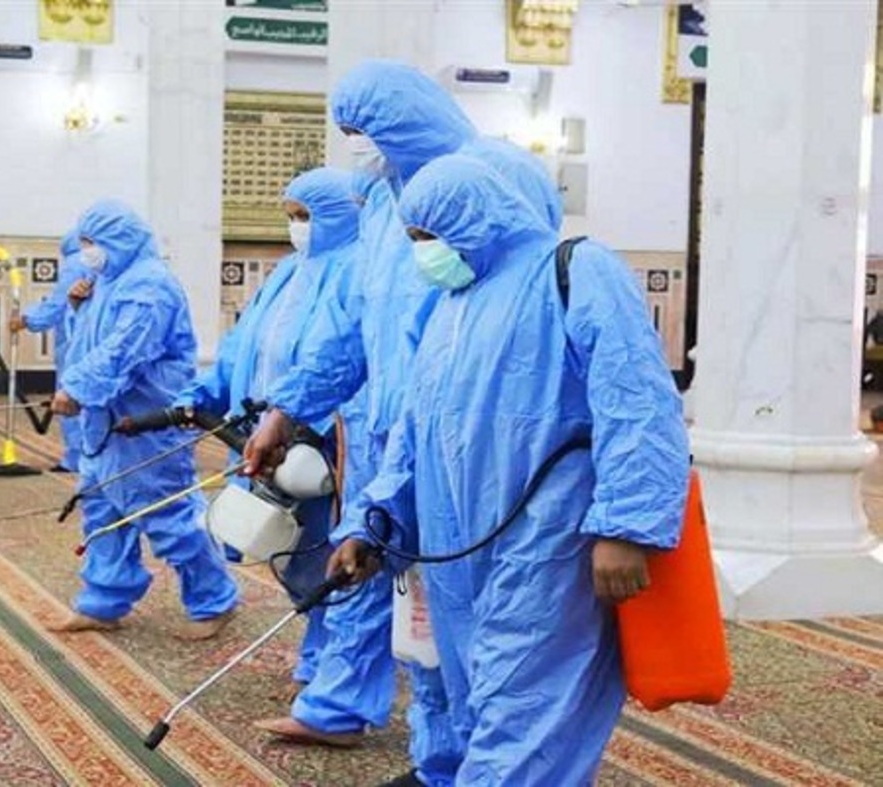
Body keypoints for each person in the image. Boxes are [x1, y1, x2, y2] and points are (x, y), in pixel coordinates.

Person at [244, 59, 563, 781]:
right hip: (395, 439)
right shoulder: (385, 214)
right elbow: (353, 334)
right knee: (411, 603)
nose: (358, 147)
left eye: (365, 129)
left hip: (473, 443)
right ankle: (439, 759)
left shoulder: (493, 177)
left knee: (483, 617)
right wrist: (288, 409)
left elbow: (517, 308)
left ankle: (488, 760)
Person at [329, 153, 691, 785]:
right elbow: (414, 437)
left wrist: (626, 528)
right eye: (413, 237)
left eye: (429, 234)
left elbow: (636, 401)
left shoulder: (576, 271)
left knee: (525, 709)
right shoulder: (447, 306)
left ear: (476, 217)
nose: (423, 251)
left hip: (550, 540)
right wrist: (375, 523)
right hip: (459, 552)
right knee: (478, 699)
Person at [175, 167, 362, 738]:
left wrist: (300, 422)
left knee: (329, 560)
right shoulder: (288, 272)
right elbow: (244, 344)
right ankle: (323, 664)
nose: (296, 226)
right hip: (264, 434)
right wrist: (205, 393)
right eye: (291, 215)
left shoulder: (355, 272)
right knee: (287, 553)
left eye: (306, 216)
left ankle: (336, 682)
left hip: (321, 443)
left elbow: (339, 362)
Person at [48, 199, 238, 641]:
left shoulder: (150, 287)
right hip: (105, 422)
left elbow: (125, 350)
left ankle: (214, 599)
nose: (87, 250)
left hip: (147, 421)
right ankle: (103, 602)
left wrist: (77, 389)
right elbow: (90, 342)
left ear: (119, 239)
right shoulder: (106, 281)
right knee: (103, 512)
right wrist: (77, 309)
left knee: (166, 514)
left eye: (92, 241)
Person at [10, 228, 87, 472]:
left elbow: (58, 304)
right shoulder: (110, 264)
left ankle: (77, 458)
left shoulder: (75, 263)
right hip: (94, 340)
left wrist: (27, 320)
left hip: (77, 342)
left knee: (72, 395)